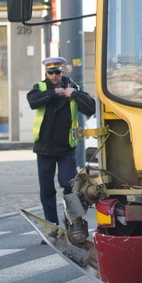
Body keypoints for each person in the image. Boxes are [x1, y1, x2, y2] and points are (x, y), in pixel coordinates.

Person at [27, 57, 96, 231]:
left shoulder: (73, 88)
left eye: (57, 72)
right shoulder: (40, 88)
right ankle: (52, 224)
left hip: (66, 147)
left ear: (62, 72)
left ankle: (73, 222)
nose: (54, 75)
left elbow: (91, 109)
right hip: (44, 147)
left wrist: (75, 94)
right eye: (51, 72)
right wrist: (53, 93)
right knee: (47, 189)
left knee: (69, 185)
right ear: (46, 73)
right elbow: (32, 102)